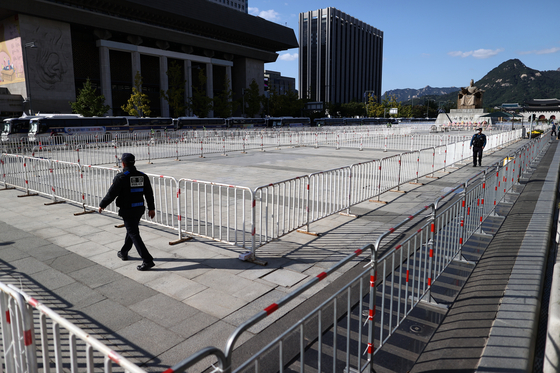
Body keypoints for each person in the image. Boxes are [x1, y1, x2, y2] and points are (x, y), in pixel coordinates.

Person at [98, 153, 156, 271]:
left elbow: (111, 194)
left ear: (123, 163)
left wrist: (102, 205)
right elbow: (149, 194)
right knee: (132, 230)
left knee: (134, 233)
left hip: (128, 210)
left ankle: (147, 260)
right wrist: (151, 208)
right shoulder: (142, 176)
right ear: (134, 162)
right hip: (139, 208)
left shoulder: (121, 177)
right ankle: (124, 252)